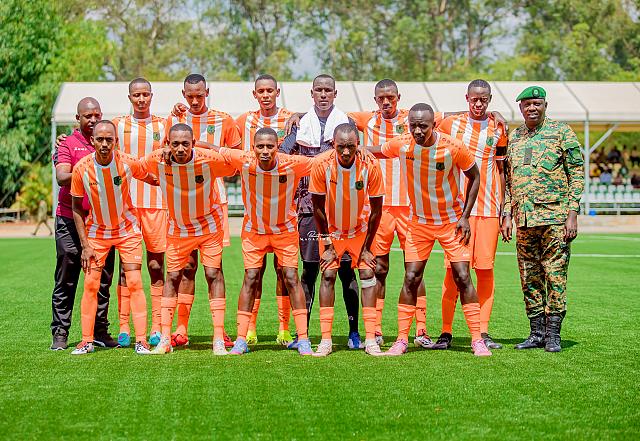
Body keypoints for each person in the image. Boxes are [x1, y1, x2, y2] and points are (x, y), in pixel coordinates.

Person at [368, 103, 491, 357]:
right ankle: (402, 339)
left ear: (434, 125)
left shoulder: (453, 147)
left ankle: (477, 340)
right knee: (411, 277)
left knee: (463, 277)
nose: (417, 131)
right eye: (413, 125)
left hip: (451, 222)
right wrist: (353, 148)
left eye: (423, 126)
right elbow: (377, 151)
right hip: (419, 223)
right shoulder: (403, 144)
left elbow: (475, 176)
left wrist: (465, 217)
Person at [208, 128, 314, 355]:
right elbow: (215, 149)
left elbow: (321, 161)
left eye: (270, 146)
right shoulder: (244, 160)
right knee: (251, 278)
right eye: (260, 146)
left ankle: (303, 339)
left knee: (291, 277)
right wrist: (190, 144)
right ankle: (241, 339)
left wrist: (359, 150)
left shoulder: (292, 163)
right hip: (254, 231)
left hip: (285, 231)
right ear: (253, 147)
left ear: (278, 147)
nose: (265, 151)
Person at [279, 74, 363, 350]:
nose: (323, 94)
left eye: (328, 90)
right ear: (312, 93)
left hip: (343, 209)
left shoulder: (347, 123)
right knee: (310, 271)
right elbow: (281, 154)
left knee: (346, 272)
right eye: (319, 90)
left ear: (335, 94)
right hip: (308, 208)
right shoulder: (300, 125)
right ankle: (302, 334)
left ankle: (354, 332)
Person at [501, 86, 584, 353]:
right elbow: (508, 181)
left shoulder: (561, 132)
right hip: (524, 220)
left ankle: (553, 335)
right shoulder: (514, 138)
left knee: (555, 275)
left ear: (545, 105)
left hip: (555, 219)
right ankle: (536, 333)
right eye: (527, 104)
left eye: (536, 103)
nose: (532, 108)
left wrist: (572, 213)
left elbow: (577, 172)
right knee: (529, 277)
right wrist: (507, 214)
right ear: (520, 108)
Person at [348, 79, 430, 348]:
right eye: (381, 98)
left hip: (411, 207)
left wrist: (493, 113)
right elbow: (333, 113)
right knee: (379, 268)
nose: (386, 102)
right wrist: (296, 116)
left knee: (414, 269)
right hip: (379, 208)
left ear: (398, 97)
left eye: (391, 97)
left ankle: (421, 330)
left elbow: (448, 117)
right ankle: (377, 329)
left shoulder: (412, 119)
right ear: (375, 100)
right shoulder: (367, 120)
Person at [141, 124, 236, 355]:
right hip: (178, 229)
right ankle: (165, 338)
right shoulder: (158, 160)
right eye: (175, 144)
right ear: (168, 144)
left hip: (209, 226)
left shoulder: (207, 159)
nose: (181, 148)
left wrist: (207, 145)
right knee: (173, 276)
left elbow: (233, 166)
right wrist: (155, 177)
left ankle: (218, 338)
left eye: (186, 143)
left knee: (213, 274)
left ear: (193, 143)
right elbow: (135, 167)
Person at [432, 79, 508, 351]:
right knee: (453, 272)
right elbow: (423, 121)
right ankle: (446, 331)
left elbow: (501, 170)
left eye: (484, 99)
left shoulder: (498, 128)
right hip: (457, 211)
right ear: (467, 98)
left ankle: (483, 331)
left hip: (488, 210)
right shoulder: (451, 124)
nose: (479, 104)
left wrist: (504, 210)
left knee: (485, 271)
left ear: (490, 99)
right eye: (474, 99)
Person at [166, 73, 241, 348]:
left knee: (214, 268)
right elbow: (164, 155)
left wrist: (209, 148)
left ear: (207, 92)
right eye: (190, 96)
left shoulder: (224, 120)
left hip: (213, 202)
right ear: (183, 94)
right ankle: (181, 329)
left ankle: (220, 331)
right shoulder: (175, 119)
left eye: (199, 95)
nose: (195, 101)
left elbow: (236, 161)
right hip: (181, 203)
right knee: (186, 267)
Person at [69, 120, 156, 355]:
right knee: (90, 285)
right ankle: (87, 341)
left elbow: (152, 177)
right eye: (100, 139)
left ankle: (141, 341)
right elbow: (76, 207)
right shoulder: (81, 168)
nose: (105, 144)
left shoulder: (127, 162)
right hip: (97, 232)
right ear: (92, 141)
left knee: (135, 283)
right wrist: (85, 245)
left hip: (127, 230)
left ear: (116, 141)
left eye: (109, 139)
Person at [309, 123, 385, 356]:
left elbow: (377, 210)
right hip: (331, 230)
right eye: (341, 146)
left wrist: (367, 248)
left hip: (360, 229)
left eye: (350, 146)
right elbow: (317, 208)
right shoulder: (321, 164)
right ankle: (326, 340)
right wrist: (327, 244)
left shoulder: (371, 164)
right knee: (328, 274)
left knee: (368, 274)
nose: (345, 151)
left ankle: (370, 339)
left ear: (358, 145)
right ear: (333, 144)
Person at [50, 97, 117, 351]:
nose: (93, 119)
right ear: (78, 118)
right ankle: (60, 332)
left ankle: (99, 331)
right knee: (67, 276)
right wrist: (91, 170)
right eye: (88, 116)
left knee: (102, 279)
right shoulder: (68, 143)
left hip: (101, 221)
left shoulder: (107, 140)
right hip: (69, 218)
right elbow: (62, 176)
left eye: (97, 115)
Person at [235, 74, 294, 346]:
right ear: (255, 94)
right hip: (255, 213)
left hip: (284, 209)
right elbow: (223, 143)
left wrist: (301, 114)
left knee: (284, 272)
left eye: (270, 90)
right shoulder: (243, 121)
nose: (266, 94)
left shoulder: (291, 118)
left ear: (277, 92)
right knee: (254, 273)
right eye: (261, 91)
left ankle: (284, 329)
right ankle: (250, 329)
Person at [112, 78, 167, 347]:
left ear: (151, 96)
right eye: (137, 95)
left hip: (157, 204)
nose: (141, 99)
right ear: (130, 97)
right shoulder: (117, 124)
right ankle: (124, 327)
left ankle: (156, 326)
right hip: (126, 205)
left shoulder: (164, 124)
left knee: (156, 265)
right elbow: (95, 141)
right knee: (126, 268)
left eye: (145, 94)